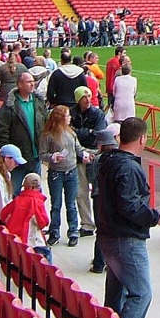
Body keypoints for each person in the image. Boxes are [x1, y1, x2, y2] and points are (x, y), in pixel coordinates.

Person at [94, 117, 160, 318]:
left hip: (109, 235)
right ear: (142, 139)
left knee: (115, 295)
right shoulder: (127, 168)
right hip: (125, 238)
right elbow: (129, 206)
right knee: (141, 294)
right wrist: (156, 217)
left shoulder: (108, 162)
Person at [40, 104, 89, 247]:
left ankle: (73, 231)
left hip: (71, 171)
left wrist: (86, 155)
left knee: (71, 204)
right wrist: (53, 157)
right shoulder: (48, 136)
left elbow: (78, 148)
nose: (70, 118)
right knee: (56, 204)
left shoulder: (71, 133)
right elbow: (43, 154)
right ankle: (54, 231)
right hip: (56, 173)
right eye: (67, 116)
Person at [0, 70, 48, 191]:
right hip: (17, 159)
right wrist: (8, 155)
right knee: (14, 191)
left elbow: (45, 123)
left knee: (36, 194)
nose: (32, 84)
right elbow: (2, 130)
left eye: (33, 81)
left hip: (35, 157)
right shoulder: (10, 105)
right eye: (29, 82)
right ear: (20, 84)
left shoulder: (38, 102)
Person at [69, 85, 106, 236]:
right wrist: (87, 132)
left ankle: (102, 223)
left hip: (95, 154)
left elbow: (99, 134)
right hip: (79, 154)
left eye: (89, 96)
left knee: (99, 191)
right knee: (80, 192)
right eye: (84, 97)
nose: (87, 100)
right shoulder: (71, 113)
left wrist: (79, 133)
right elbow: (69, 134)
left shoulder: (98, 114)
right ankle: (87, 225)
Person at [87, 124, 119, 274]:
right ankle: (110, 262)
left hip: (98, 196)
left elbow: (91, 177)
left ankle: (99, 263)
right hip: (112, 197)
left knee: (101, 230)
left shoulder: (96, 160)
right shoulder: (118, 159)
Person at [1, 173, 52, 262]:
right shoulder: (37, 202)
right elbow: (43, 222)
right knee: (47, 255)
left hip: (14, 238)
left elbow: (3, 215)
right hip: (31, 240)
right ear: (37, 188)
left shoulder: (17, 200)